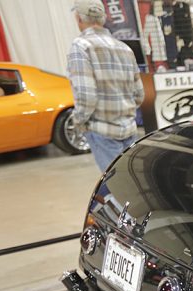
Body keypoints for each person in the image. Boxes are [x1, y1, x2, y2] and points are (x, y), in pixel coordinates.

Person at [67, 0, 144, 172]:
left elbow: (86, 97)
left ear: (79, 18)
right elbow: (139, 95)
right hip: (129, 130)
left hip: (102, 131)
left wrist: (78, 121)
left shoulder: (80, 47)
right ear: (103, 18)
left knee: (113, 183)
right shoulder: (125, 48)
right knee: (130, 181)